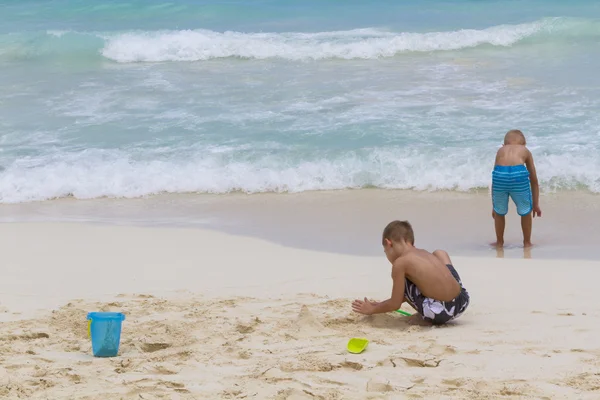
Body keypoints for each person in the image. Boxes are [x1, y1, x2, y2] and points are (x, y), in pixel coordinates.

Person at [351, 220, 470, 325]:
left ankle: (429, 312)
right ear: (411, 242)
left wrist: (372, 309)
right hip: (462, 300)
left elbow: (395, 304)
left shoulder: (400, 263)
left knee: (403, 278)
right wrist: (378, 304)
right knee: (439, 253)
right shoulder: (423, 252)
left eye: (385, 251)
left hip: (441, 312)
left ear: (389, 243)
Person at [491, 129, 542, 248]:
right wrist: (535, 205)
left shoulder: (500, 151)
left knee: (499, 212)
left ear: (504, 145)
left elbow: (495, 175)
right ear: (523, 144)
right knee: (525, 212)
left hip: (500, 178)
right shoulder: (525, 151)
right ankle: (527, 242)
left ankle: (499, 242)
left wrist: (494, 205)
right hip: (518, 175)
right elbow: (533, 180)